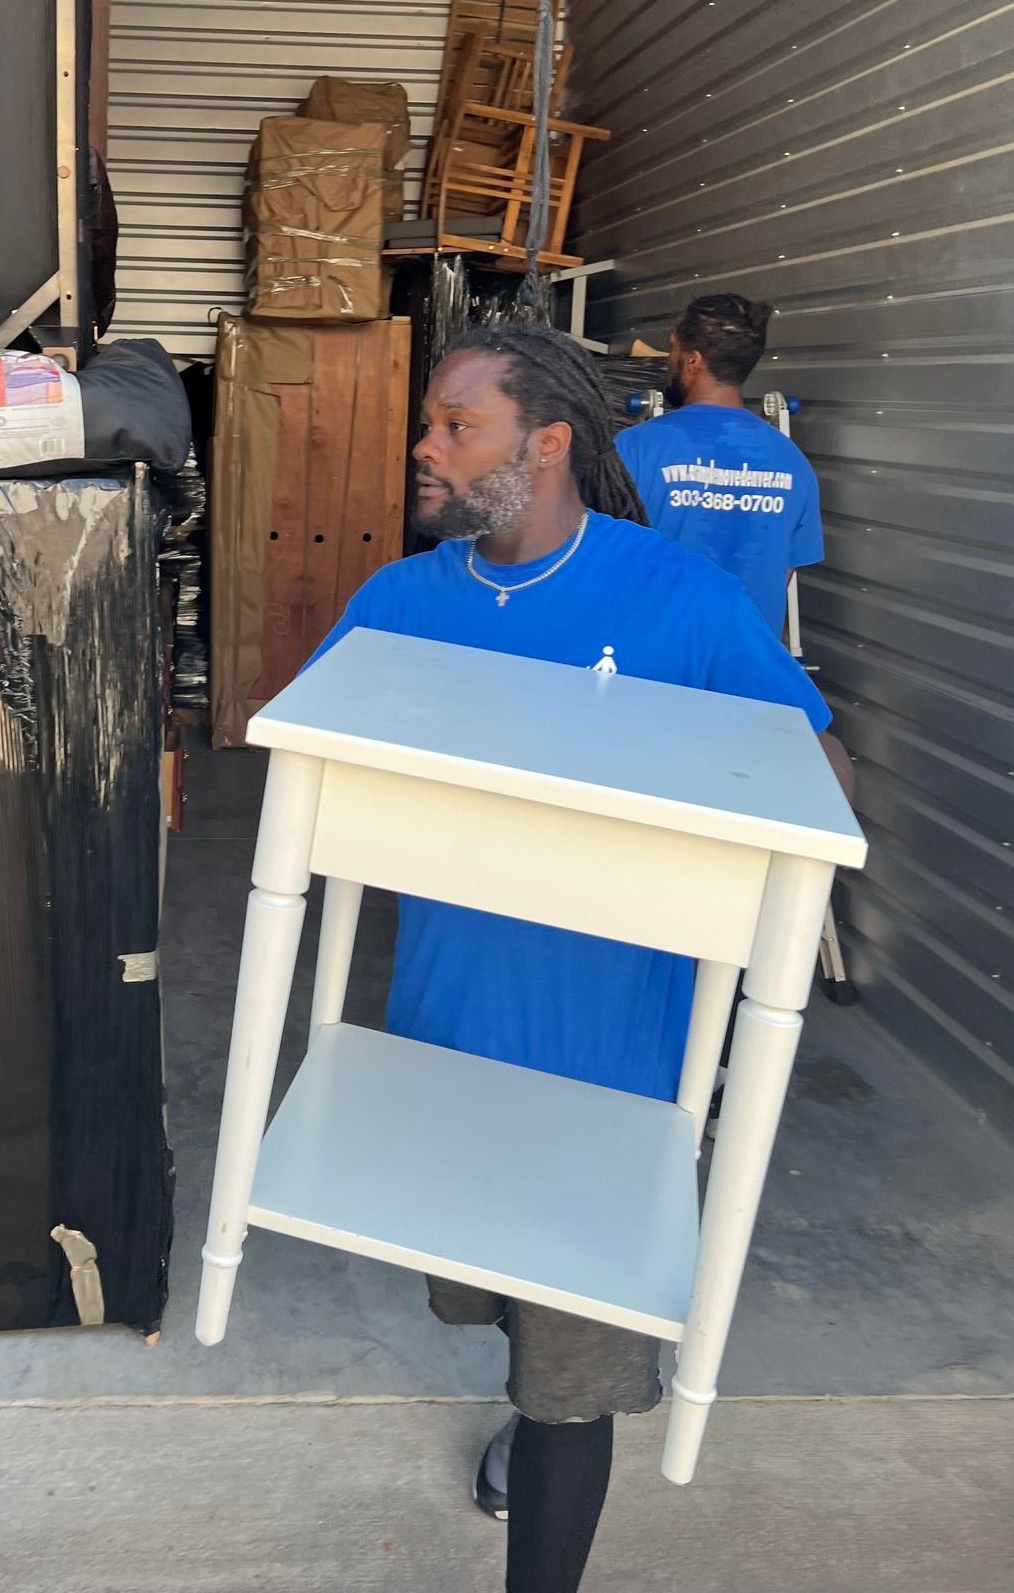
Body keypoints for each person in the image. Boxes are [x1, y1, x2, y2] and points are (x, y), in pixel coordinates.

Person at [308, 323, 849, 1593]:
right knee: (491, 1303)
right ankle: (531, 1409)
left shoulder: (679, 600)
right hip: (446, 1048)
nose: (424, 444)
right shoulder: (401, 602)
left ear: (546, 444)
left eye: (456, 424)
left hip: (615, 1068)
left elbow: (821, 774)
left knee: (572, 1379)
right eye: (431, 422)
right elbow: (307, 777)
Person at [614, 294, 823, 637]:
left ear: (693, 361)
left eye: (673, 349)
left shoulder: (635, 448)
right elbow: (781, 573)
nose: (670, 360)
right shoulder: (792, 462)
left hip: (652, 666)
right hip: (742, 673)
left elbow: (602, 562)